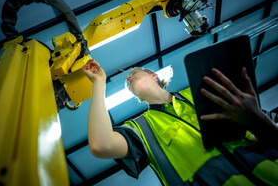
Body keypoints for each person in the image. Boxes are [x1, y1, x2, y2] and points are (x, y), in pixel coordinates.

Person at [82, 59, 278, 185]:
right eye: (127, 82)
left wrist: (256, 117)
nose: (128, 77)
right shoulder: (141, 127)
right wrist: (98, 84)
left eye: (133, 73)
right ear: (137, 97)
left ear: (154, 75)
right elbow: (101, 145)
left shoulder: (201, 90)